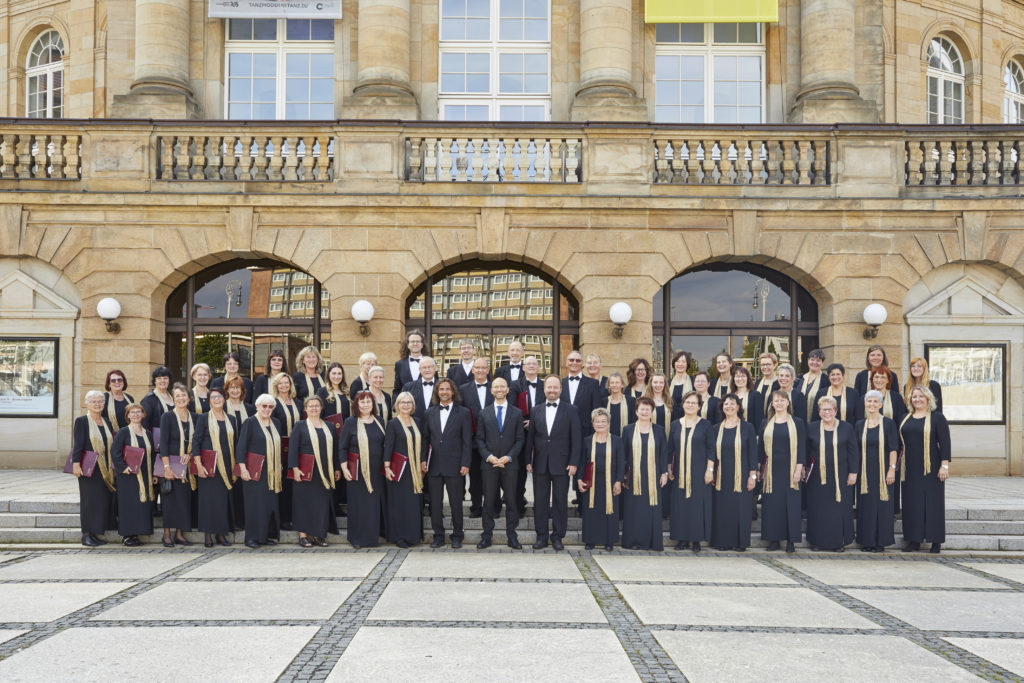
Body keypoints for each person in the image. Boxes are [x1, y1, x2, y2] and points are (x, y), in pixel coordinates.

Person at [527, 375, 582, 551]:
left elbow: (576, 439)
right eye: (549, 387)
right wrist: (528, 460)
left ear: (560, 389)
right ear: (544, 390)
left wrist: (574, 462)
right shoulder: (535, 410)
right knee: (540, 502)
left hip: (563, 464)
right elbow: (530, 439)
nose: (552, 390)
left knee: (560, 502)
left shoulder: (571, 410)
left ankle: (558, 536)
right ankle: (541, 536)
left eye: (555, 387)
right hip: (540, 464)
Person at [474, 378, 525, 549]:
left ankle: (512, 536)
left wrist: (508, 457)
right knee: (488, 502)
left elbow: (520, 440)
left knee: (511, 501)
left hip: (510, 465)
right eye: (496, 386)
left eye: (502, 386)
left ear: (508, 389)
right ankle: (486, 536)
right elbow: (479, 439)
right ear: (491, 390)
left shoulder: (517, 413)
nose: (499, 389)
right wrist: (489, 457)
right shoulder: (484, 413)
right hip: (489, 465)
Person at [899, 386, 951, 553]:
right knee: (911, 503)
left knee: (933, 504)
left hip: (931, 467)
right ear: (910, 400)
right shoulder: (904, 418)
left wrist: (944, 466)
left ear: (928, 399)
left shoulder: (937, 418)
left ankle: (935, 541)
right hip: (910, 468)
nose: (917, 399)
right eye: (914, 397)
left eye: (921, 397)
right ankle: (914, 540)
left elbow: (945, 443)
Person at [422, 379, 472, 548]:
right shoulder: (429, 413)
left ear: (453, 392)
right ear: (437, 392)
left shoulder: (464, 413)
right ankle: (438, 535)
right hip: (434, 466)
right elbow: (425, 439)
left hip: (455, 465)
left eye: (447, 389)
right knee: (435, 504)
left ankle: (458, 534)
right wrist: (423, 460)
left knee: (456, 503)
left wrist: (465, 463)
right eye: (441, 389)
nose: (444, 392)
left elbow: (467, 441)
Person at [806, 395, 859, 552]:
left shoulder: (846, 427)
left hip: (841, 475)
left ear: (836, 410)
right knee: (818, 509)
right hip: (817, 476)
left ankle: (838, 542)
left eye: (830, 409)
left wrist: (853, 473)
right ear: (819, 411)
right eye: (823, 410)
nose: (827, 412)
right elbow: (806, 450)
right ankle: (817, 542)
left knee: (838, 509)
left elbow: (853, 452)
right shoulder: (812, 427)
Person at [758, 391, 806, 553]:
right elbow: (760, 449)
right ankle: (774, 540)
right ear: (772, 403)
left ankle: (791, 541)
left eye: (782, 400)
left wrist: (799, 469)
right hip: (771, 470)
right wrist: (758, 469)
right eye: (776, 400)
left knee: (790, 505)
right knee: (772, 506)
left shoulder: (797, 422)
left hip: (791, 469)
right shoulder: (765, 422)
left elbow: (801, 447)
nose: (779, 403)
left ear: (788, 403)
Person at [289, 395, 340, 548]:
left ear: (321, 407)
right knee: (303, 503)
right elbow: (293, 449)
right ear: (305, 409)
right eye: (310, 406)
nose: (314, 408)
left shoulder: (329, 426)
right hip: (305, 472)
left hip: (325, 472)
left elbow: (335, 450)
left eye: (317, 405)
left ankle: (319, 535)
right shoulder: (300, 426)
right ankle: (303, 536)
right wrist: (295, 469)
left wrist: (337, 468)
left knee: (321, 504)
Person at [668, 391, 716, 552]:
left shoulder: (705, 425)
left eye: (693, 403)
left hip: (699, 472)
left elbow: (711, 449)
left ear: (699, 406)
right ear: (683, 404)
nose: (690, 405)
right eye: (687, 402)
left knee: (697, 506)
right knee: (680, 506)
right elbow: (670, 450)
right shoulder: (675, 424)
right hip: (680, 471)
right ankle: (681, 540)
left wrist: (710, 470)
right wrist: (669, 468)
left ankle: (696, 540)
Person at [710, 394, 758, 551]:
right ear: (722, 408)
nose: (729, 406)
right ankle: (722, 541)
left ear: (738, 407)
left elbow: (753, 453)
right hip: (722, 475)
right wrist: (711, 472)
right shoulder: (716, 428)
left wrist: (752, 476)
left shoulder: (747, 427)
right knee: (722, 510)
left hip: (742, 475)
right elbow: (711, 453)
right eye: (725, 404)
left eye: (732, 404)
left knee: (741, 510)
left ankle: (740, 542)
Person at [340, 392, 387, 548]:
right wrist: (344, 467)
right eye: (362, 402)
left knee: (373, 506)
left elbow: (385, 445)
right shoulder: (350, 422)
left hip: (376, 472)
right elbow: (342, 447)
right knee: (358, 505)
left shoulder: (380, 421)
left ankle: (372, 539)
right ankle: (357, 539)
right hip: (356, 471)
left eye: (368, 402)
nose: (366, 404)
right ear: (356, 405)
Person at [235, 394, 284, 548]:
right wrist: (242, 469)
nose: (267, 409)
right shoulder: (250, 422)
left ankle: (264, 536)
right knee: (254, 505)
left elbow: (279, 446)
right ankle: (251, 538)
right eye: (264, 406)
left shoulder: (276, 422)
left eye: (270, 407)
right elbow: (241, 447)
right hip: (254, 471)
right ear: (257, 407)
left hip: (272, 472)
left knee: (269, 505)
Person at [621, 397, 668, 551]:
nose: (644, 412)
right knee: (633, 510)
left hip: (653, 477)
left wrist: (664, 473)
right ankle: (633, 541)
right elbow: (623, 454)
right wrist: (622, 475)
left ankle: (651, 542)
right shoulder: (627, 430)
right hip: (633, 477)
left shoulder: (659, 430)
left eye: (648, 409)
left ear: (652, 412)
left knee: (651, 509)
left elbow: (663, 453)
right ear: (636, 411)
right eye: (642, 409)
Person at [192, 387, 237, 548]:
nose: (217, 399)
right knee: (208, 502)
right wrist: (198, 464)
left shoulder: (231, 419)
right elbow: (195, 441)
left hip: (227, 465)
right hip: (209, 466)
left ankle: (221, 534)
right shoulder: (203, 418)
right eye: (213, 397)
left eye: (219, 397)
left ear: (224, 399)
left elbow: (235, 442)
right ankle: (208, 535)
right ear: (209, 400)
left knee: (222, 502)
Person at [856, 390, 899, 553]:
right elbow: (856, 449)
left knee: (882, 506)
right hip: (865, 474)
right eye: (869, 401)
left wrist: (892, 470)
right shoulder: (860, 424)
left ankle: (880, 542)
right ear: (865, 404)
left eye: (875, 402)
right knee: (866, 507)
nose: (872, 404)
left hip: (883, 473)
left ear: (881, 404)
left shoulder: (888, 423)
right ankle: (866, 541)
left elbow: (893, 449)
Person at [71, 390, 115, 547]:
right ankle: (86, 535)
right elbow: (78, 445)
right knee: (89, 501)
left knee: (101, 501)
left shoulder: (107, 422)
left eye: (100, 401)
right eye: (94, 402)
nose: (97, 404)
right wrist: (75, 464)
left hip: (104, 468)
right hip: (88, 467)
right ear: (87, 404)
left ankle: (96, 533)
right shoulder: (82, 421)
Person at [382, 392, 425, 548]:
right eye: (402, 402)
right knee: (399, 503)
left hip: (415, 471)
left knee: (413, 503)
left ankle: (414, 535)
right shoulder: (393, 424)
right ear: (397, 405)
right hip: (399, 470)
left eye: (409, 402)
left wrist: (423, 461)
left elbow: (424, 443)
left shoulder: (418, 422)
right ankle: (399, 536)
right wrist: (386, 467)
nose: (406, 405)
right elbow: (388, 446)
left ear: (413, 405)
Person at [579, 408, 624, 551]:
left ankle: (609, 541)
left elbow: (622, 462)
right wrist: (579, 479)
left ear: (609, 423)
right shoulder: (586, 441)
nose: (600, 424)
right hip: (591, 483)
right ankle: (590, 540)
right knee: (591, 511)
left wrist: (618, 481)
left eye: (603, 421)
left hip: (610, 482)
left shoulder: (617, 441)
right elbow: (581, 462)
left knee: (609, 511)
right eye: (597, 421)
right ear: (592, 424)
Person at [111, 402, 154, 547]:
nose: (135, 415)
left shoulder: (147, 433)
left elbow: (152, 455)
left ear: (143, 415)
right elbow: (115, 452)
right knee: (128, 505)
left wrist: (154, 473)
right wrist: (123, 468)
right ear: (128, 415)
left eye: (138, 412)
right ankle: (127, 535)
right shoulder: (123, 432)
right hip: (128, 475)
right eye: (132, 412)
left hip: (145, 474)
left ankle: (138, 533)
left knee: (141, 504)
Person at [159, 383, 196, 548]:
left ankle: (179, 534)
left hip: (187, 466)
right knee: (169, 500)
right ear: (173, 399)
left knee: (184, 500)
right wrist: (166, 467)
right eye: (178, 396)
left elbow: (198, 440)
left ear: (189, 398)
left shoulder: (195, 417)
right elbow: (164, 443)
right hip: (171, 464)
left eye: (184, 395)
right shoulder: (167, 417)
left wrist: (191, 453)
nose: (181, 398)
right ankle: (166, 534)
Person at [460, 357, 493, 518]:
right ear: (472, 370)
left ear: (488, 370)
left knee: (493, 476)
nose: (480, 370)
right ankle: (476, 506)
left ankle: (493, 506)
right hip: (472, 441)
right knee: (475, 476)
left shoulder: (497, 388)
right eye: (477, 368)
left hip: (492, 441)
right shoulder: (463, 389)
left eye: (483, 367)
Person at [512, 356, 543, 516]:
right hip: (521, 434)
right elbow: (512, 409)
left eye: (534, 364)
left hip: (542, 436)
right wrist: (525, 421)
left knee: (542, 472)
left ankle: (542, 507)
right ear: (523, 368)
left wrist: (535, 421)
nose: (531, 366)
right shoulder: (515, 385)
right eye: (528, 364)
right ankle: (518, 507)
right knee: (519, 473)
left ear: (538, 367)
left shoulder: (545, 385)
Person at [270, 371, 301, 530]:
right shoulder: (273, 404)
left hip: (297, 450)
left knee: (295, 485)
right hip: (280, 450)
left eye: (286, 383)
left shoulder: (298, 403)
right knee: (283, 485)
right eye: (280, 383)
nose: (284, 385)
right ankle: (283, 519)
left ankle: (296, 517)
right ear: (276, 385)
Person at [224, 376, 255, 531]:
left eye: (238, 388)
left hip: (245, 452)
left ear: (243, 391)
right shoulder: (221, 407)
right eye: (232, 387)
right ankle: (231, 521)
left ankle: (243, 520)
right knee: (229, 485)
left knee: (243, 487)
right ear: (227, 390)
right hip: (226, 451)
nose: (235, 390)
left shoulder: (250, 409)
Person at [563, 350, 602, 438]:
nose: (574, 362)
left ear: (582, 364)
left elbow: (597, 411)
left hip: (585, 433)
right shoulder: (559, 384)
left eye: (578, 360)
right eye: (571, 360)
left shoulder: (593, 384)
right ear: (566, 363)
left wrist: (594, 435)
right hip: (562, 434)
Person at [140, 366, 174, 436]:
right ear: (154, 381)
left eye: (165, 378)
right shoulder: (149, 399)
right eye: (159, 378)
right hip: (157, 437)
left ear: (169, 380)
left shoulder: (174, 396)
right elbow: (144, 423)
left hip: (174, 435)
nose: (162, 381)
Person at [796, 349, 826, 422]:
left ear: (822, 363)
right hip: (798, 420)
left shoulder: (826, 380)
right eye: (812, 360)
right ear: (808, 361)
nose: (814, 362)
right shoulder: (799, 379)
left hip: (817, 420)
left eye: (818, 360)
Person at [393, 329, 426, 394]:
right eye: (412, 342)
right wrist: (395, 403)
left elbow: (435, 386)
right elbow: (397, 389)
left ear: (422, 345)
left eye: (418, 341)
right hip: (406, 403)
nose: (415, 344)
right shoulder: (399, 364)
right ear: (408, 345)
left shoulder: (431, 363)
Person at [605, 373, 635, 437]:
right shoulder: (603, 402)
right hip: (608, 439)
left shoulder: (631, 401)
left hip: (626, 438)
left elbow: (634, 422)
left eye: (617, 382)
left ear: (622, 385)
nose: (614, 385)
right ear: (609, 385)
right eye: (612, 383)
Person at [756, 352, 780, 417]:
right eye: (763, 365)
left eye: (768, 364)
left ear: (774, 365)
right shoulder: (757, 383)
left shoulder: (779, 383)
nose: (765, 367)